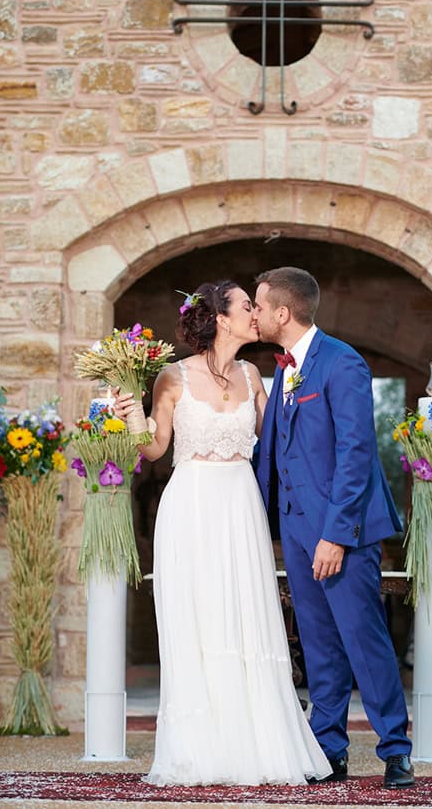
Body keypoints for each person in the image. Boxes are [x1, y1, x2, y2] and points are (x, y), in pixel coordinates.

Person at [115, 281, 331, 787]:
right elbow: (154, 449)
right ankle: (200, 750)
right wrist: (131, 417)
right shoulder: (172, 377)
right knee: (199, 619)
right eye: (247, 306)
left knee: (245, 615)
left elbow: (280, 437)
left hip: (240, 505)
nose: (256, 313)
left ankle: (257, 746)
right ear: (219, 318)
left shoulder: (254, 374)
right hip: (190, 505)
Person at [252, 267, 415, 789]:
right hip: (296, 529)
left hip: (342, 531)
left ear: (282, 313)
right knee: (319, 644)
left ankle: (396, 751)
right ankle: (329, 749)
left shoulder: (343, 362)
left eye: (259, 306)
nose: (254, 314)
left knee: (363, 639)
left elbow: (356, 453)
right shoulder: (283, 370)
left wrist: (336, 535)